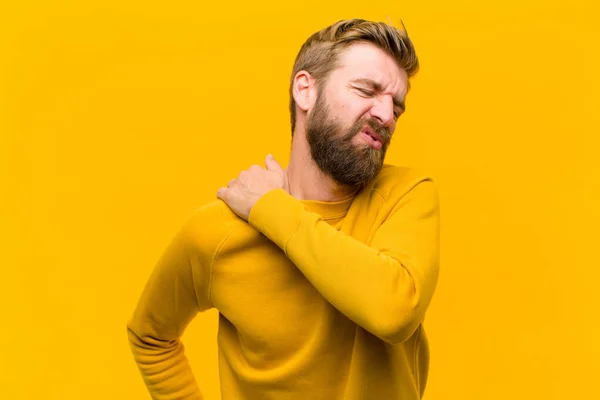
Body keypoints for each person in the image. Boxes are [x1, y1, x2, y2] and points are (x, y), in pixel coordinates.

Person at [127, 18, 440, 400]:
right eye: (366, 90)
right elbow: (149, 336)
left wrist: (272, 210)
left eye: (396, 107)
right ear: (305, 90)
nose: (387, 116)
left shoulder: (404, 196)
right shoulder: (218, 232)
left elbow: (394, 311)